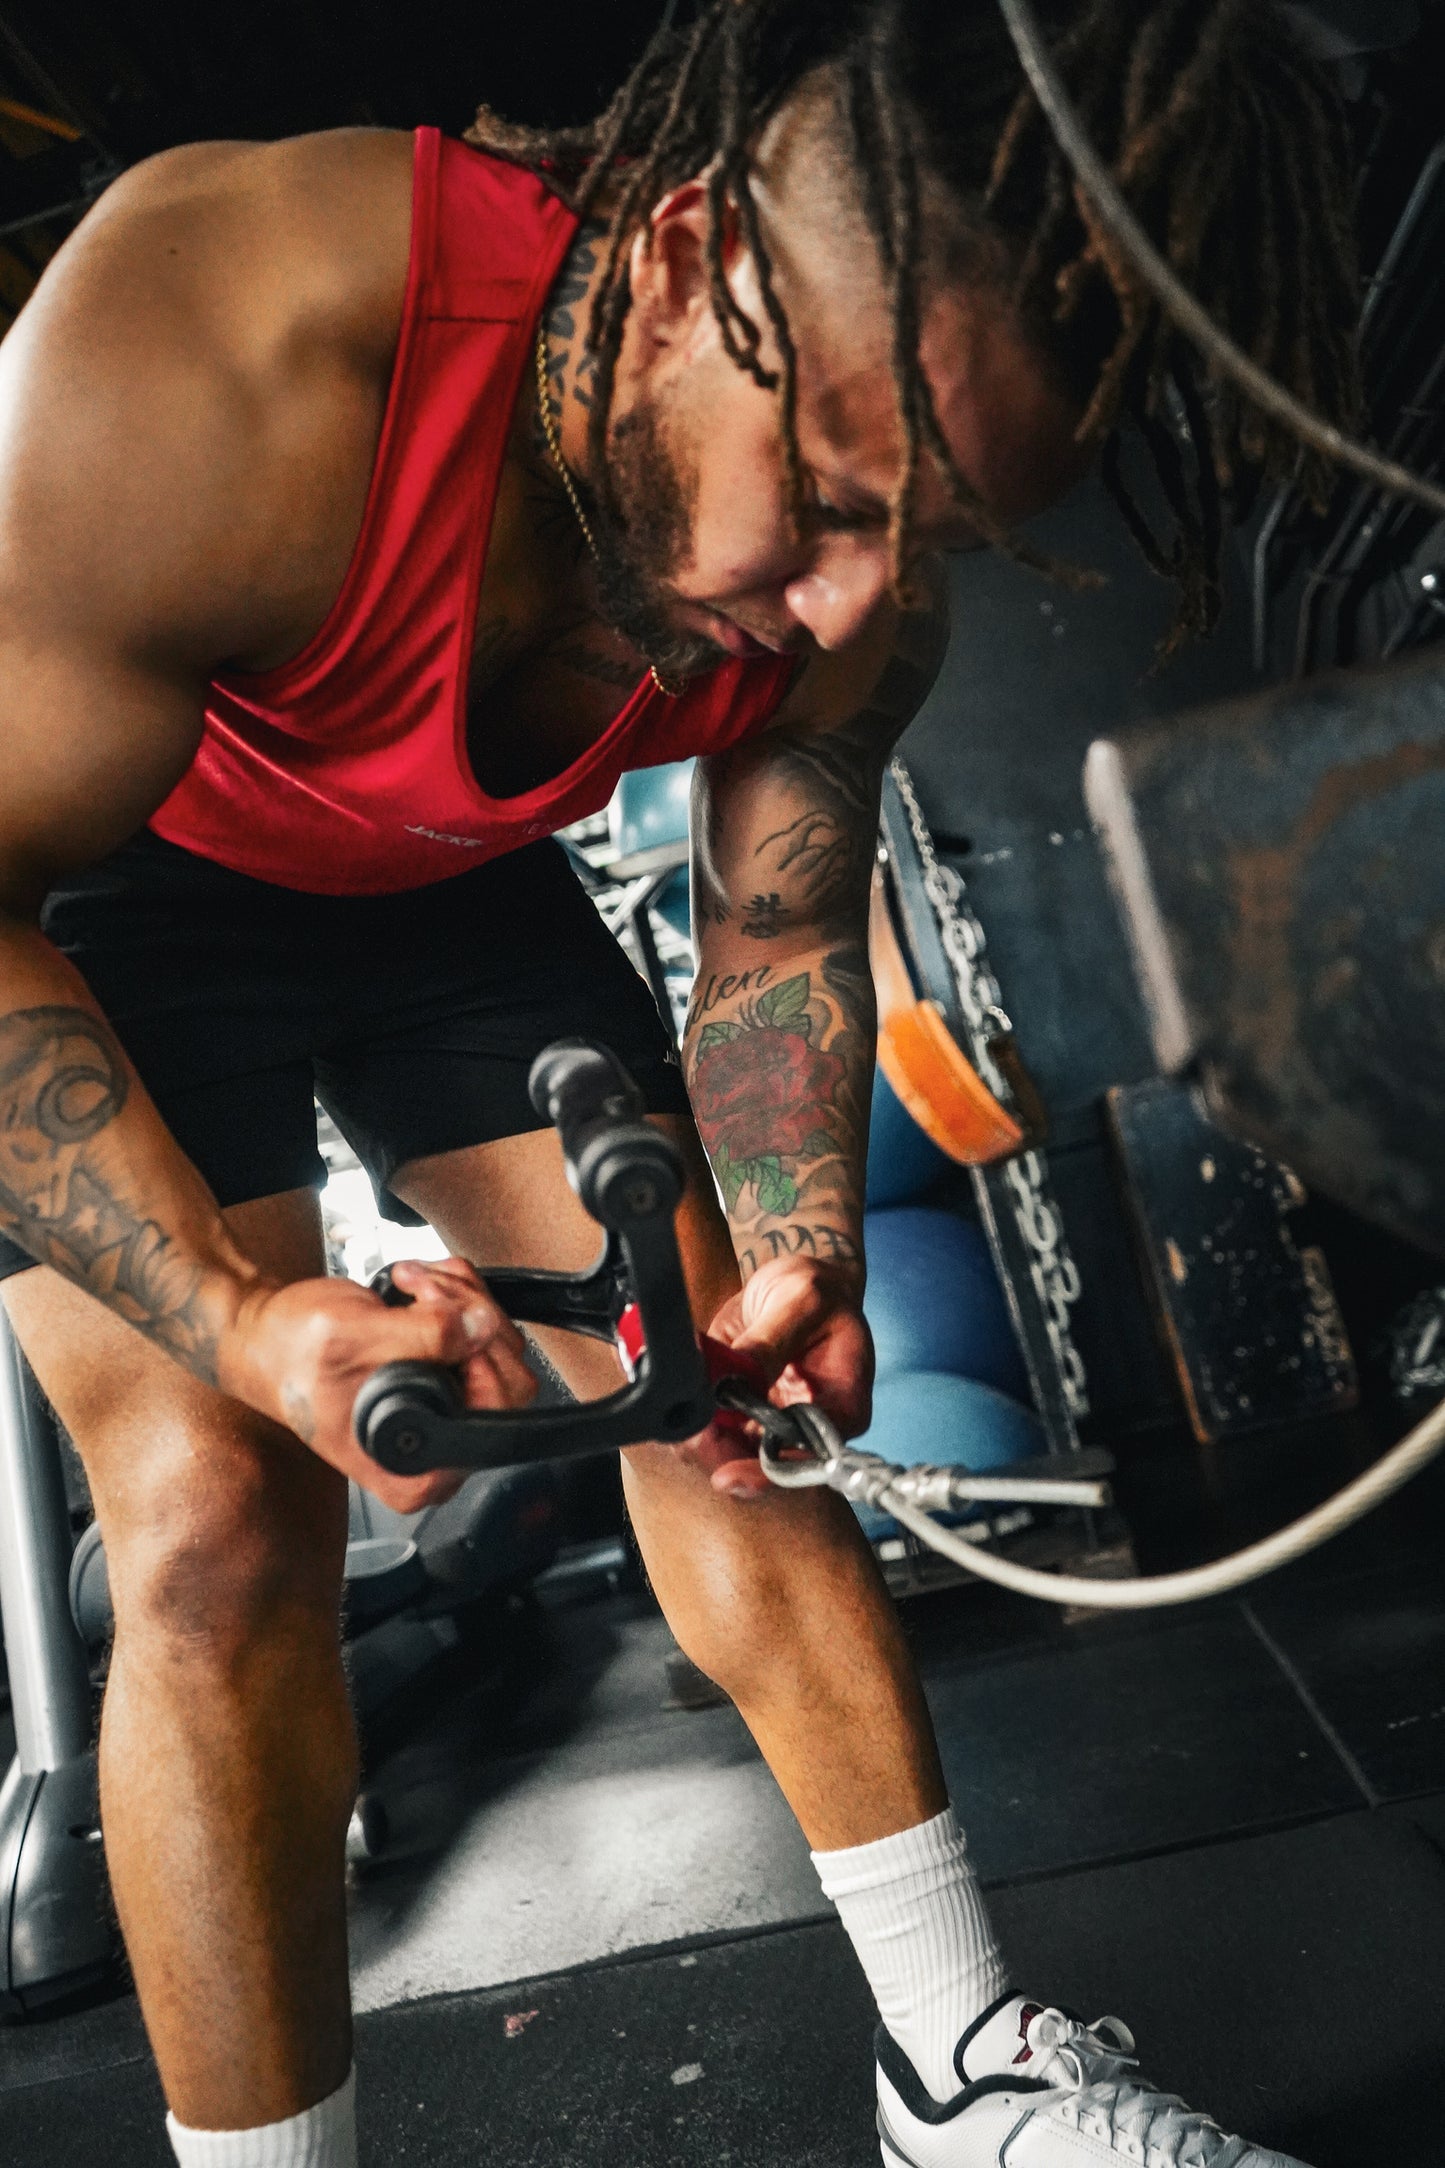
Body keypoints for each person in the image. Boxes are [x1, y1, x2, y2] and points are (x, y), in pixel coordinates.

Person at [0, 3, 1361, 2164]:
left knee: (723, 1390)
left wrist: (807, 1241)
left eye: (911, 536)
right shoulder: (220, 336)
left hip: (444, 877)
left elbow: (779, 928)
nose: (844, 601)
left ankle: (962, 2067)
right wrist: (242, 1320)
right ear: (684, 263)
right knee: (211, 1525)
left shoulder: (850, 584)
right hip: (112, 872)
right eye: (823, 502)